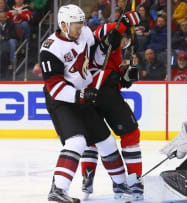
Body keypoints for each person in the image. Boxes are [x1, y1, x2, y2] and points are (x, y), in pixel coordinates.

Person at [40, 4, 137, 202]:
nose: (80, 28)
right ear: (64, 25)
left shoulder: (84, 33)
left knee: (107, 141)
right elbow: (55, 88)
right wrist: (81, 95)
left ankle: (120, 185)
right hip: (62, 100)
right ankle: (58, 189)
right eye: (76, 25)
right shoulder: (50, 49)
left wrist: (107, 43)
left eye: (81, 24)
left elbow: (96, 60)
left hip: (82, 95)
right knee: (77, 141)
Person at [79, 10, 144, 200]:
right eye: (126, 40)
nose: (125, 44)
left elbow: (107, 65)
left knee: (92, 138)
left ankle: (87, 180)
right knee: (131, 134)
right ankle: (134, 181)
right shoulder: (99, 31)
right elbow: (106, 31)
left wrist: (122, 77)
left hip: (86, 93)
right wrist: (124, 22)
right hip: (103, 91)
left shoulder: (104, 46)